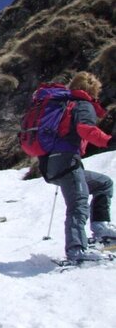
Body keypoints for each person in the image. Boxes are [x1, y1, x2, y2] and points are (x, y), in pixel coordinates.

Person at [38, 72, 116, 262]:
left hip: (50, 164)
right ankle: (77, 251)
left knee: (103, 183)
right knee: (78, 205)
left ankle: (100, 228)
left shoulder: (64, 105)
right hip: (66, 162)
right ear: (92, 89)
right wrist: (110, 141)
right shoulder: (82, 105)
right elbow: (85, 129)